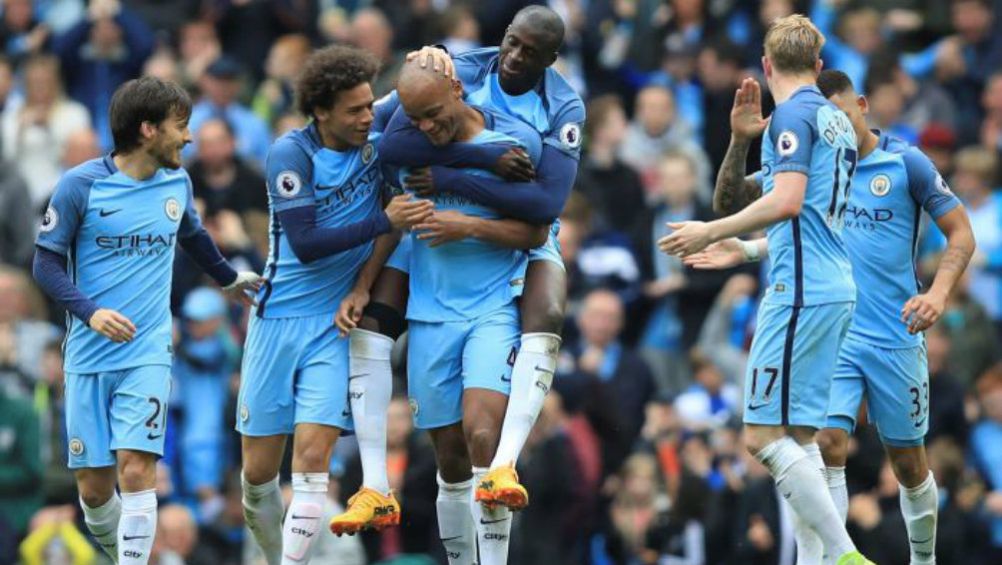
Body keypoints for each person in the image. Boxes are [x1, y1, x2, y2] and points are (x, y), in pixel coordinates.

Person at [690, 69, 977, 565]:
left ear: (862, 105)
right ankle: (831, 559)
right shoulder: (809, 159)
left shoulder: (906, 163)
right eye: (828, 122)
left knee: (909, 465)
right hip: (836, 327)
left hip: (896, 332)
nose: (835, 130)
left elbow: (961, 234)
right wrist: (739, 143)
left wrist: (939, 293)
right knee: (824, 444)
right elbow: (736, 202)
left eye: (843, 116)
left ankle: (923, 559)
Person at [341, 5, 584, 519]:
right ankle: (375, 482)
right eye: (512, 42)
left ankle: (507, 460)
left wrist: (456, 182)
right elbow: (385, 139)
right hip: (431, 234)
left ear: (552, 59)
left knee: (548, 313)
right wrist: (476, 163)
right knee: (373, 322)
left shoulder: (562, 108)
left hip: (513, 240)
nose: (514, 57)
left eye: (530, 52)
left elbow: (544, 207)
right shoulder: (459, 68)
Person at [659, 15, 873, 565]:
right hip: (829, 287)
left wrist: (711, 233)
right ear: (819, 66)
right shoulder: (831, 120)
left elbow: (786, 203)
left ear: (765, 65)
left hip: (799, 292)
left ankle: (846, 554)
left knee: (759, 436)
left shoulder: (796, 117)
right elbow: (735, 198)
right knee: (800, 439)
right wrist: (737, 140)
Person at [30, 76, 263, 565]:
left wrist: (227, 278)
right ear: (147, 130)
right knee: (95, 492)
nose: (190, 137)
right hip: (88, 356)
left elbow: (193, 234)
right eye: (181, 126)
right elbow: (44, 265)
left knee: (136, 469)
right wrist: (90, 312)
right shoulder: (80, 186)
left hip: (148, 351)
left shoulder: (178, 181)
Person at [235, 45, 432, 565]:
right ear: (321, 111)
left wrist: (364, 284)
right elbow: (307, 241)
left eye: (370, 105)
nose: (368, 117)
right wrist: (384, 220)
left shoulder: (375, 129)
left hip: (332, 326)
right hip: (277, 320)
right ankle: (270, 549)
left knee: (313, 461)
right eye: (355, 110)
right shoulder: (290, 154)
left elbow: (422, 81)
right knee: (258, 475)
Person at [351, 57, 550, 565]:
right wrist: (364, 284)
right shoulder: (405, 152)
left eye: (434, 113)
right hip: (429, 313)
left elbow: (535, 230)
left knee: (482, 433)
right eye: (414, 119)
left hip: (492, 307)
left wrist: (468, 226)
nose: (427, 127)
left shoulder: (509, 145)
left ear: (459, 90)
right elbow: (390, 221)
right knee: (450, 460)